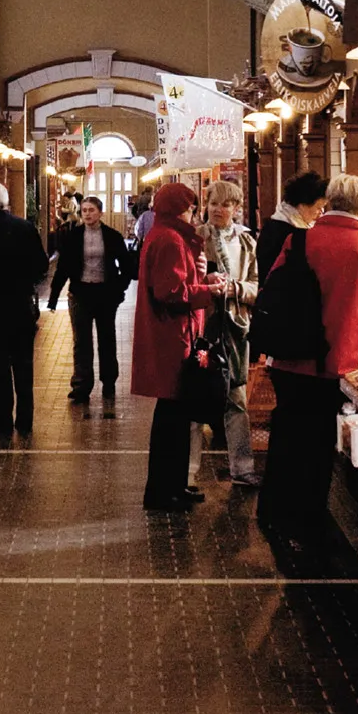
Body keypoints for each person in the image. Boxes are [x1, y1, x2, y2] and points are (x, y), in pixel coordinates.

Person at [259, 173, 358, 529]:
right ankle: (309, 516)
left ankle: (273, 508)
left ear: (330, 201)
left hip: (288, 357)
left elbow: (271, 290)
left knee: (286, 431)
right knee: (319, 443)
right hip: (335, 362)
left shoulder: (300, 240)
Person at [131, 181, 237, 512]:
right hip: (172, 340)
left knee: (174, 419)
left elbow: (176, 284)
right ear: (180, 208)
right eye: (191, 208)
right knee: (171, 420)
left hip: (172, 336)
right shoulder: (171, 240)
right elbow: (171, 293)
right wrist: (210, 293)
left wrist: (202, 282)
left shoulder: (166, 235)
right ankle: (164, 493)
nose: (194, 214)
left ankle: (172, 486)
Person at [0, 180, 48, 438]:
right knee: (24, 365)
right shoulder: (25, 228)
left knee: (0, 366)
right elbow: (41, 266)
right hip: (22, 309)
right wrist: (27, 284)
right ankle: (25, 419)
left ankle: (2, 418)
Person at [47, 195, 134, 415]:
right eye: (84, 210)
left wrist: (119, 289)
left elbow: (127, 266)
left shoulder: (112, 236)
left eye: (91, 210)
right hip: (80, 293)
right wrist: (53, 297)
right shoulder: (73, 237)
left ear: (100, 213)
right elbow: (63, 267)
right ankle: (81, 386)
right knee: (81, 341)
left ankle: (109, 381)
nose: (87, 214)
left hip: (105, 294)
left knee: (107, 338)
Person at [200, 180, 259, 486]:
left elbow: (256, 285)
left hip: (235, 329)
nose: (218, 210)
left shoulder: (247, 243)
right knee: (196, 396)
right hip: (202, 331)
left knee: (236, 397)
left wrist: (235, 288)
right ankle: (187, 473)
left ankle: (243, 469)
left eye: (225, 205)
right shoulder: (196, 239)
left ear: (236, 209)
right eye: (213, 203)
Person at [258, 171, 328, 285]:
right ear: (302, 205)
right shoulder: (291, 233)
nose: (321, 212)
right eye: (319, 207)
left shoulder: (274, 223)